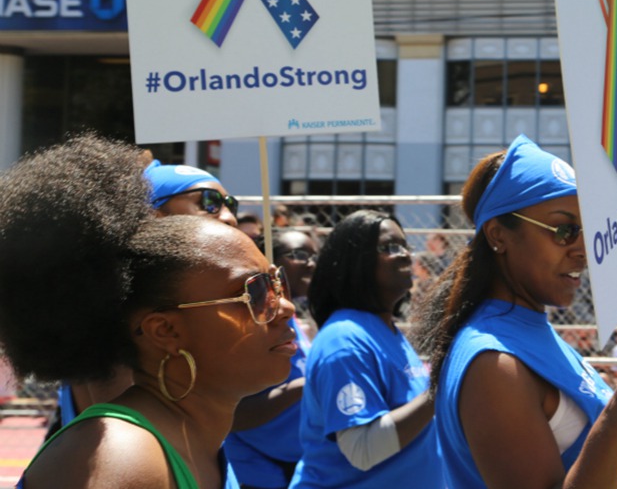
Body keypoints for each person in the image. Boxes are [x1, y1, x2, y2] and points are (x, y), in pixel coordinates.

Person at [0, 134, 297, 488]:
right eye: (254, 290)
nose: (287, 307)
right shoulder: (123, 460)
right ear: (165, 331)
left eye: (276, 282)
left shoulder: (190, 441)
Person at [413, 134, 617, 489]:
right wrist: (615, 425)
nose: (583, 249)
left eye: (586, 230)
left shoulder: (527, 330)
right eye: (564, 230)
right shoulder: (494, 364)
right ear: (498, 235)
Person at [48, 158, 243, 437]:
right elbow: (123, 432)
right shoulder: (118, 313)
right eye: (209, 202)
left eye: (230, 203)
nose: (228, 216)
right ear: (153, 216)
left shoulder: (169, 301)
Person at [290, 210, 441, 489]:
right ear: (354, 261)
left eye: (406, 246)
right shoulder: (345, 341)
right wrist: (438, 390)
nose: (406, 254)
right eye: (390, 248)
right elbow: (363, 449)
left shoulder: (384, 330)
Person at [225, 228, 318, 488]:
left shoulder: (291, 319)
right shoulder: (252, 322)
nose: (311, 263)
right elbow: (236, 415)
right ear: (270, 264)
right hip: (257, 471)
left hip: (295, 464)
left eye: (314, 255)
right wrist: (305, 385)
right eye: (299, 254)